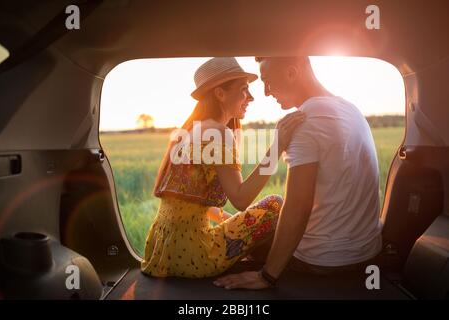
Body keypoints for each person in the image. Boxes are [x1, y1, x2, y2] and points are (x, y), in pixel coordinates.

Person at [214, 56, 383, 290]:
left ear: (292, 73)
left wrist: (267, 276)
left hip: (322, 259)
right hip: (366, 251)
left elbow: (298, 206)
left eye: (268, 82)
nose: (265, 92)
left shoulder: (303, 121)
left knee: (249, 230)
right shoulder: (349, 108)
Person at [140, 57, 305, 278]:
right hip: (196, 256)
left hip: (161, 255)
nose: (251, 97)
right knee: (275, 204)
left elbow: (196, 204)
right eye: (244, 89)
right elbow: (241, 200)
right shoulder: (218, 132)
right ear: (220, 93)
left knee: (241, 219)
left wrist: (232, 220)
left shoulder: (189, 132)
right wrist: (277, 147)